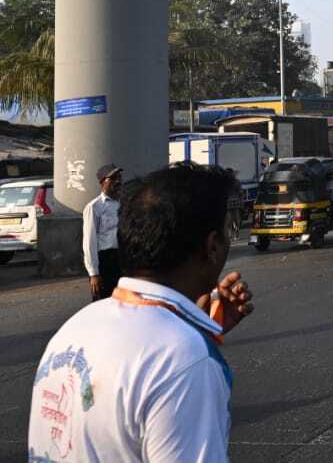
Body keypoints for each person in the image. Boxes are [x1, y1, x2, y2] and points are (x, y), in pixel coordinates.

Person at [29, 163, 255, 461]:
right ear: (212, 246)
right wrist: (189, 343)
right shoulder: (184, 359)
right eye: (229, 230)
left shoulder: (72, 330)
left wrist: (197, 331)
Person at [83, 163, 124, 301]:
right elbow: (89, 242)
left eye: (119, 178)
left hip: (122, 260)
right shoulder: (94, 207)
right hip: (105, 261)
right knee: (103, 302)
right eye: (112, 178)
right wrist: (93, 273)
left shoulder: (124, 204)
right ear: (102, 182)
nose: (118, 181)